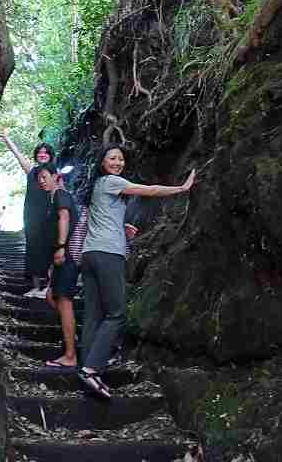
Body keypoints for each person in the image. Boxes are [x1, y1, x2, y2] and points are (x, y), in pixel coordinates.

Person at [79, 144, 196, 399]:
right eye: (112, 158)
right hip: (108, 255)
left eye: (121, 159)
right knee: (117, 314)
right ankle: (91, 369)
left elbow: (102, 220)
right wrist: (181, 188)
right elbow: (149, 190)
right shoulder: (112, 181)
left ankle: (85, 365)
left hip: (91, 254)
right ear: (103, 162)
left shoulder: (99, 185)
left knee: (93, 315)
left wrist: (124, 228)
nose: (118, 162)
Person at [0, 129, 55, 297]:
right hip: (31, 216)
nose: (43, 154)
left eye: (46, 152)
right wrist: (7, 139)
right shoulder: (31, 171)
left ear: (51, 156)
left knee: (50, 249)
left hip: (48, 215)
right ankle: (36, 286)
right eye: (40, 152)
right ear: (36, 156)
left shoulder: (55, 173)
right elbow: (18, 156)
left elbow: (61, 194)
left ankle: (49, 287)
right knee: (33, 250)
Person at [36, 162, 80, 370]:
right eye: (39, 179)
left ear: (56, 176)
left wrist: (61, 247)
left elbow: (64, 217)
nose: (41, 181)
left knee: (64, 302)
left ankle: (71, 354)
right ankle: (74, 337)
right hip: (60, 258)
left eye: (45, 176)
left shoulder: (60, 194)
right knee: (51, 297)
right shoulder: (54, 197)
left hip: (67, 255)